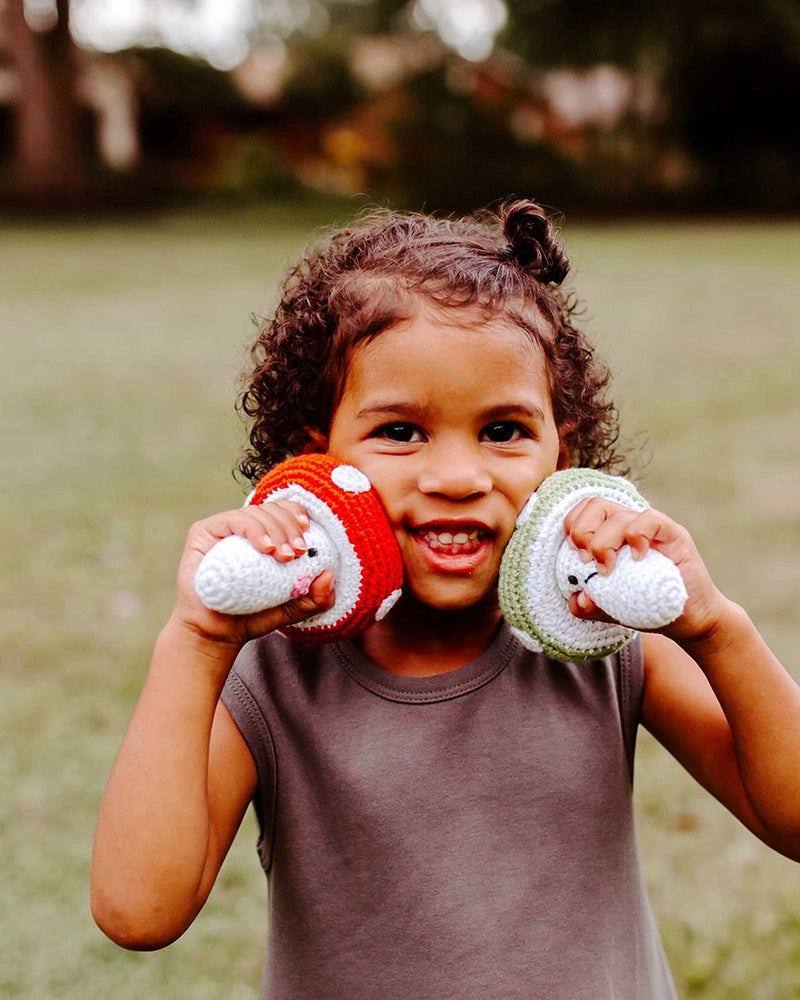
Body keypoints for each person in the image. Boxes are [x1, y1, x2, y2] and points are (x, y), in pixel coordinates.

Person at [91, 199, 800, 1000]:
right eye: (400, 432)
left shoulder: (608, 637)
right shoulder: (271, 673)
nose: (458, 478)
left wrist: (715, 627)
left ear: (560, 456)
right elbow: (137, 911)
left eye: (503, 431)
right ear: (316, 463)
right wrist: (196, 643)